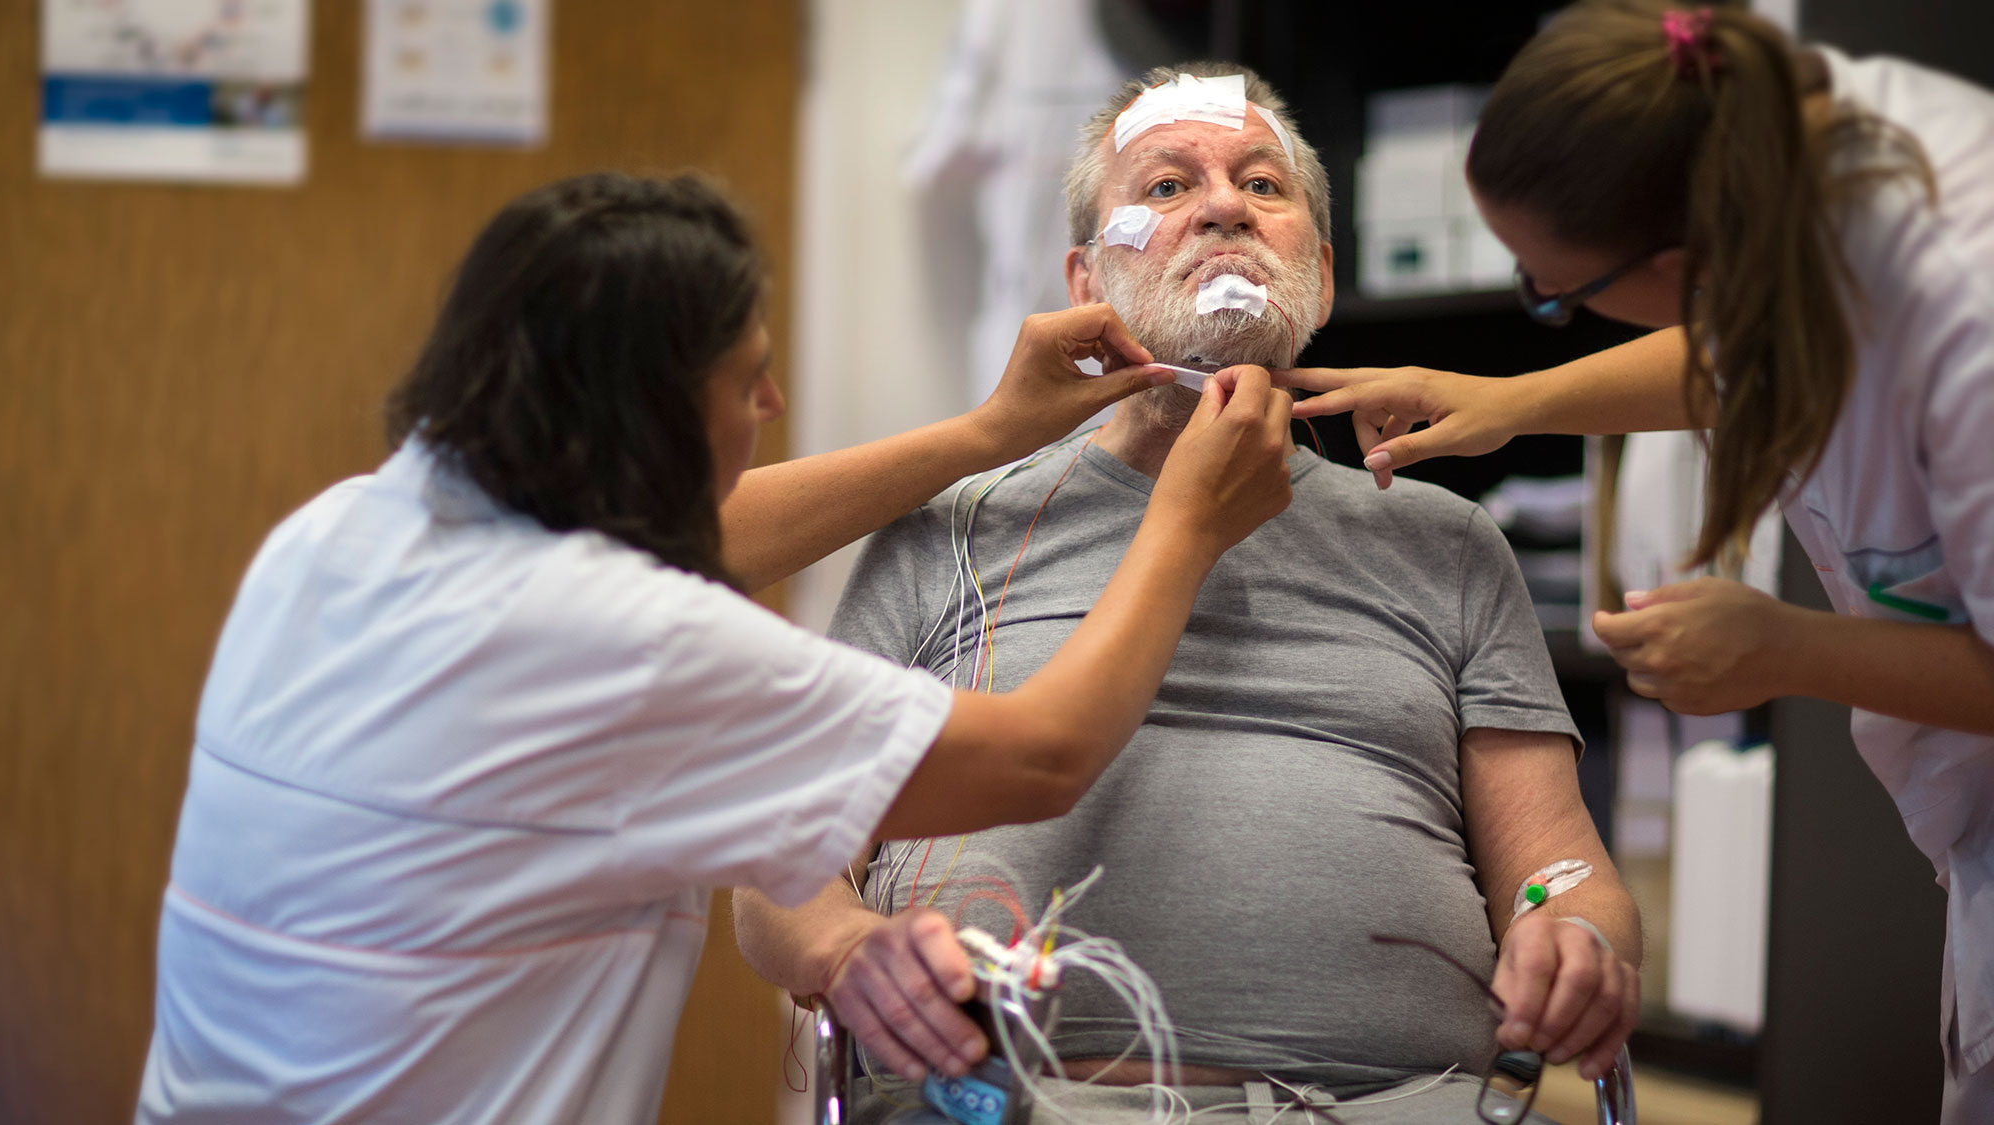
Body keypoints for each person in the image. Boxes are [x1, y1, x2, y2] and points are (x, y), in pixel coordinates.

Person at [133, 171, 1299, 1124]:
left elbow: (684, 536)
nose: (777, 402)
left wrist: (985, 433)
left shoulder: (337, 532)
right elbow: (1041, 755)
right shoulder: (630, 649)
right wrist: (1186, 523)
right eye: (747, 379)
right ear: (643, 412)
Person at [734, 64, 1641, 1124]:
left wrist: (1574, 935)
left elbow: (1560, 869)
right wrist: (849, 949)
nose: (1222, 204)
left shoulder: (1444, 542)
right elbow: (777, 869)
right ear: (1085, 284)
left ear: (1323, 271)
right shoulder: (948, 531)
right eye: (1165, 187)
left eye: (1262, 186)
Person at [1275, 3, 1994, 1116]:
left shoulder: (1963, 304)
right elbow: (1766, 336)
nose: (1220, 210)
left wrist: (1790, 647)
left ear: (1680, 259)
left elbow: (1559, 872)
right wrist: (1510, 402)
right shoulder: (1769, 143)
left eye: (1553, 294)